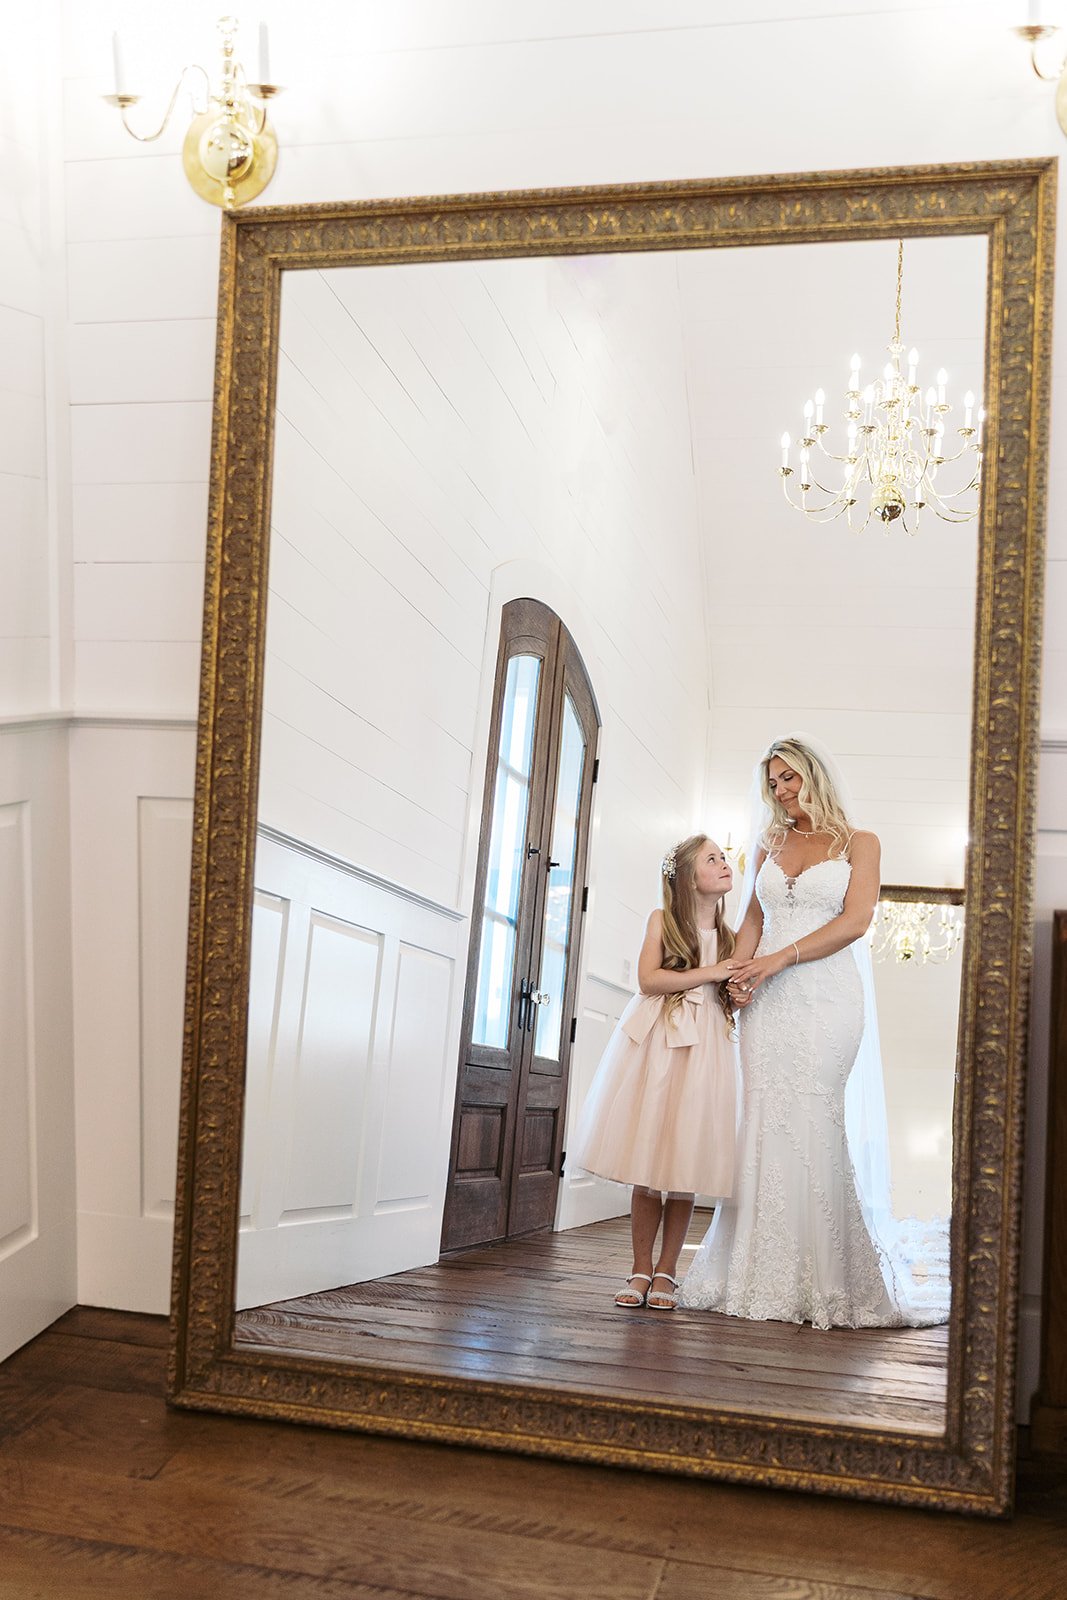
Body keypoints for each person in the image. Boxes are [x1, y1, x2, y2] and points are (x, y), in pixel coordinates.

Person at [679, 736, 949, 1329]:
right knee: (763, 1115)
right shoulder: (768, 841)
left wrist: (779, 960)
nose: (780, 791)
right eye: (773, 783)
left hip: (827, 994)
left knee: (813, 1112)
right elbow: (752, 919)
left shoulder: (860, 843)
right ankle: (749, 1270)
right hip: (766, 999)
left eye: (789, 778)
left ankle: (826, 1277)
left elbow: (856, 921)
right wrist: (740, 978)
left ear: (813, 774)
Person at [570, 835, 739, 1311]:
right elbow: (650, 979)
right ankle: (640, 1267)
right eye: (713, 859)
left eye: (725, 858)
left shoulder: (730, 937)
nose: (725, 864)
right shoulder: (662, 921)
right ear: (688, 877)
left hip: (705, 1046)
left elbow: (735, 987)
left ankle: (667, 1271)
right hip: (658, 1043)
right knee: (648, 1162)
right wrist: (710, 973)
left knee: (683, 1161)